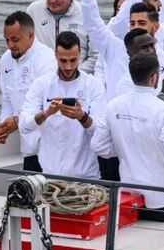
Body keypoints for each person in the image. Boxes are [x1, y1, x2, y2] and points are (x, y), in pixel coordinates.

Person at [90, 53, 164, 224]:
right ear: (154, 77)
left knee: (131, 248)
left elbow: (98, 146)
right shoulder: (162, 109)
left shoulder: (113, 106)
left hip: (128, 194)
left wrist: (123, 149)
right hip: (162, 197)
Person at [18, 31, 105, 179]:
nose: (68, 67)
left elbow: (100, 132)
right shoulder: (41, 84)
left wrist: (82, 116)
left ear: (80, 54)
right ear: (55, 56)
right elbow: (24, 126)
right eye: (63, 61)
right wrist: (45, 114)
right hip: (49, 177)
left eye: (73, 60)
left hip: (87, 177)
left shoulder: (93, 85)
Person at [0, 11, 56, 171]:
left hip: (49, 146)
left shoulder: (46, 60)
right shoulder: (6, 59)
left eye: (15, 40)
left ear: (31, 35)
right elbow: (7, 100)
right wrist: (5, 125)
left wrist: (17, 121)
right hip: (28, 147)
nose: (10, 45)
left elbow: (47, 106)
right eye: (7, 40)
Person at [28, 0, 95, 74]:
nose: (52, 0)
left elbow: (96, 56)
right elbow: (25, 49)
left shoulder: (87, 14)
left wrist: (73, 74)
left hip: (77, 80)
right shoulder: (33, 11)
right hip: (42, 80)